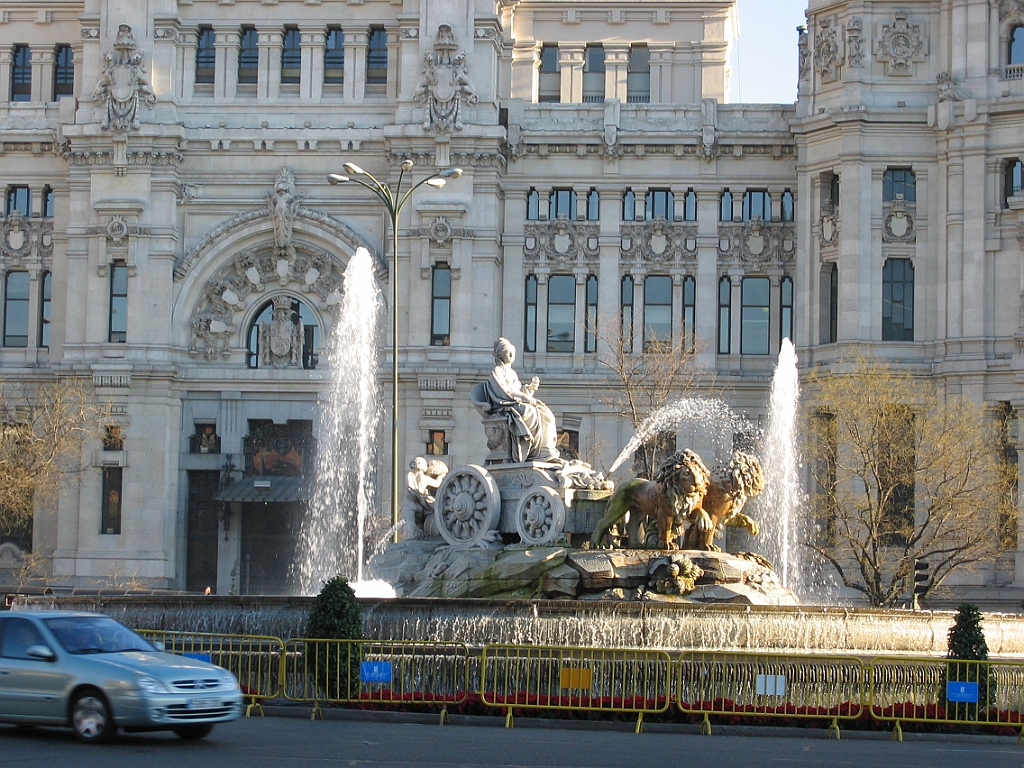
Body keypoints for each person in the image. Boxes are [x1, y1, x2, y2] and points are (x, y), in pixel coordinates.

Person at [472, 337, 560, 463]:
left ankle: (544, 448)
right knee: (530, 411)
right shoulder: (496, 371)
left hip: (516, 402)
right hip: (505, 404)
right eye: (508, 352)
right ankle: (533, 451)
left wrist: (529, 389)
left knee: (545, 412)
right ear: (500, 354)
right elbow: (503, 391)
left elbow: (518, 390)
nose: (511, 355)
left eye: (512, 352)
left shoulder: (512, 373)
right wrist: (524, 397)